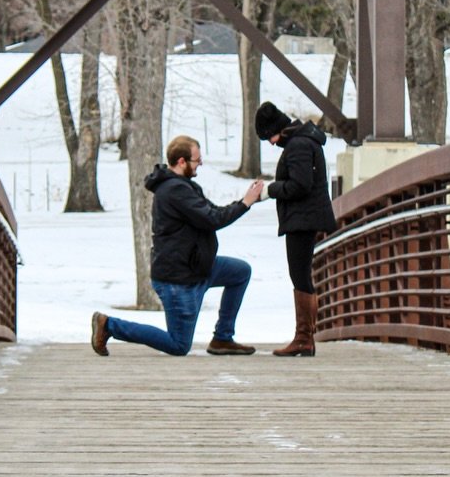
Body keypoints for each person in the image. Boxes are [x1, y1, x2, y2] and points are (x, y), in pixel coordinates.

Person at [91, 135, 265, 357]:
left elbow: (213, 212)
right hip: (178, 279)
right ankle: (109, 325)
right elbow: (212, 219)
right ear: (181, 162)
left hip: (198, 268)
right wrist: (246, 203)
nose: (200, 163)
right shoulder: (175, 190)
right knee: (179, 345)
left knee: (240, 272)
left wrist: (245, 201)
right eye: (197, 160)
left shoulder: (185, 187)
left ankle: (222, 338)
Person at [254, 101, 337, 356]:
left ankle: (304, 338)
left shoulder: (298, 145)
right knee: (301, 275)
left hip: (303, 220)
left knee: (299, 276)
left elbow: (300, 185)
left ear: (276, 129)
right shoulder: (303, 141)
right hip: (305, 218)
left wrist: (271, 189)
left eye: (269, 137)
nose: (271, 143)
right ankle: (305, 338)